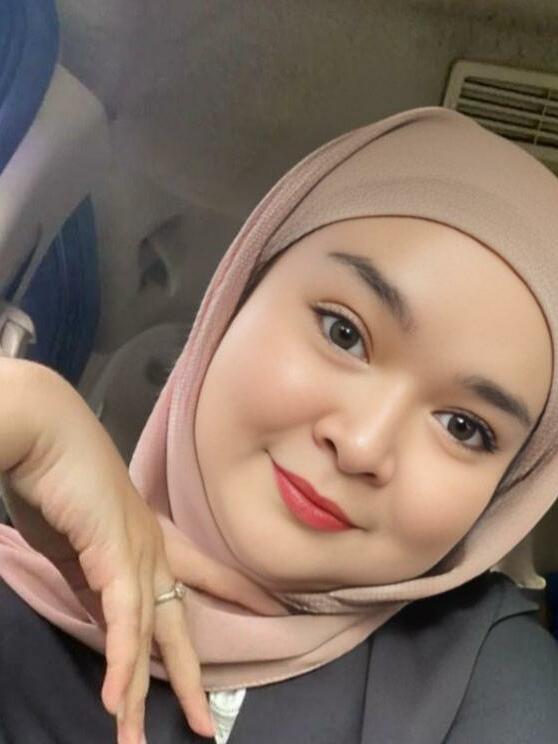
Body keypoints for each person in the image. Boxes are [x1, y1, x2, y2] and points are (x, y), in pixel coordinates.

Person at [0, 105, 558, 744]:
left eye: (463, 427)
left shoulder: (486, 677)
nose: (362, 445)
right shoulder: (18, 587)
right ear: (234, 298)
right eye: (343, 333)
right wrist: (18, 405)